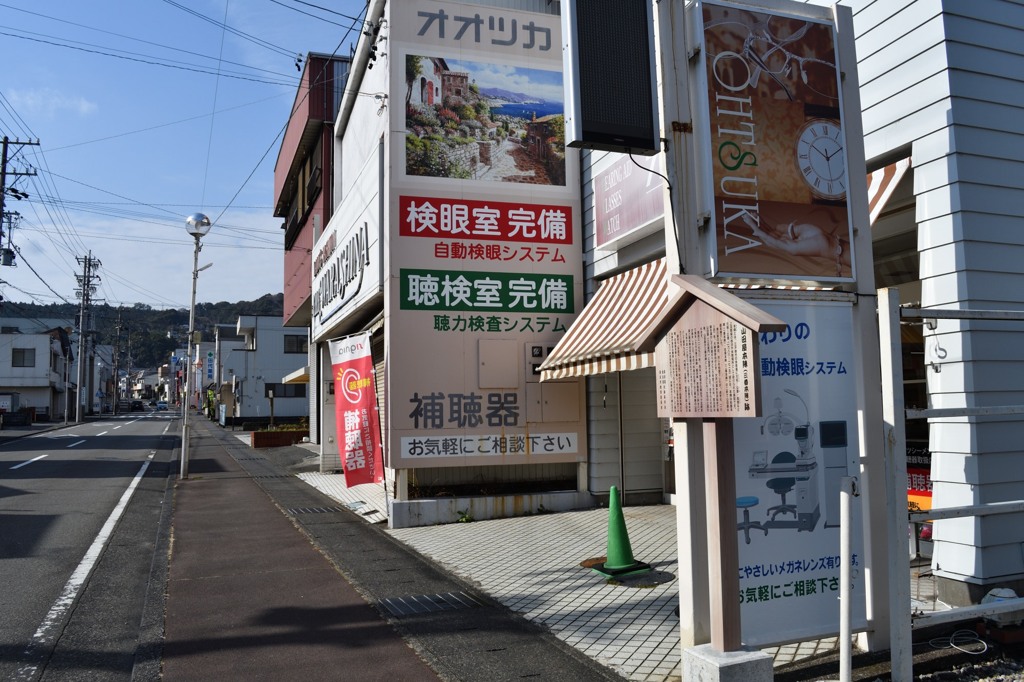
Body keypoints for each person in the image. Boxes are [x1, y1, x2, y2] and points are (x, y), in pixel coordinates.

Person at [743, 213, 850, 275]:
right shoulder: (811, 235)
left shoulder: (809, 236)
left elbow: (774, 240)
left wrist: (829, 243)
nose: (780, 227)